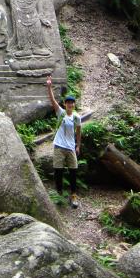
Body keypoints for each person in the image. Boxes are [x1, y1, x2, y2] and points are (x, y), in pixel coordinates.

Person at [46, 75, 82, 208]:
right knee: (58, 171)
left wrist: (78, 146)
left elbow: (78, 132)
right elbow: (52, 100)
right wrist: (49, 86)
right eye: (68, 103)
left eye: (72, 103)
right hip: (59, 146)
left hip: (71, 147)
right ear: (65, 104)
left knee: (73, 171)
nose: (70, 105)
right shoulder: (61, 113)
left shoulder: (77, 117)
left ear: (74, 105)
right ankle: (59, 194)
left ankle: (73, 196)